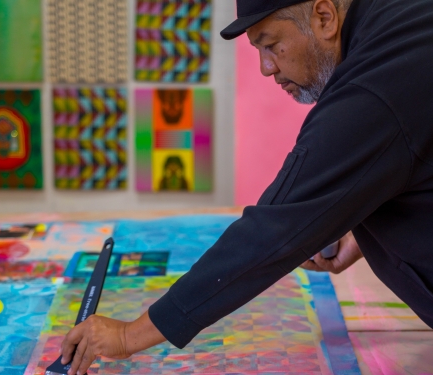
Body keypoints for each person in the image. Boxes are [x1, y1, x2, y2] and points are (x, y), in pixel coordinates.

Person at [60, 0, 433, 373]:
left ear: (324, 17)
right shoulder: (404, 22)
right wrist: (368, 231)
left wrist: (130, 336)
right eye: (258, 51)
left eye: (271, 45)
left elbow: (271, 234)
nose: (265, 68)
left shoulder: (372, 89)